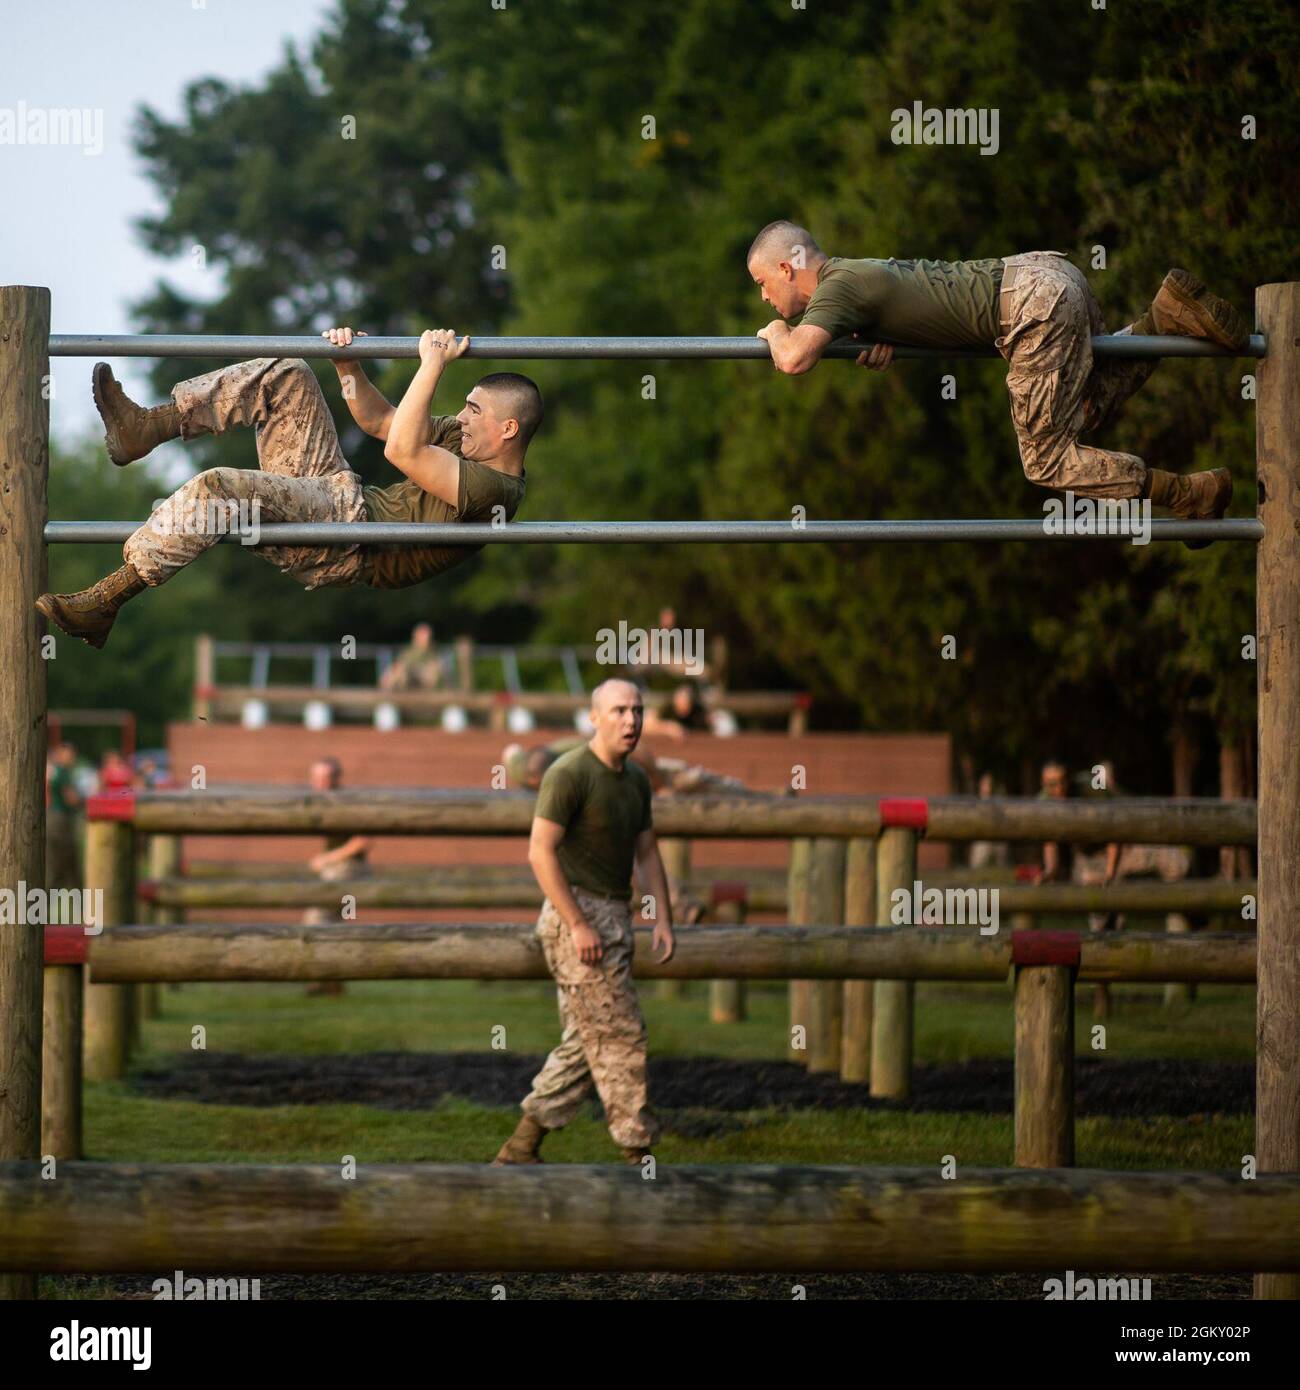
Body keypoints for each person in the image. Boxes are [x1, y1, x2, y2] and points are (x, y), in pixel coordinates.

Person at [35, 327, 542, 648]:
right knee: (288, 373)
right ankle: (149, 426)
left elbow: (402, 452)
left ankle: (107, 600)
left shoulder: (495, 493)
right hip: (342, 500)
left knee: (219, 490)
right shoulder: (463, 439)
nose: (463, 417)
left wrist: (431, 363)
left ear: (509, 430)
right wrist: (350, 368)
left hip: (349, 543)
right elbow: (383, 422)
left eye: (475, 411)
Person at [745, 221, 1248, 526]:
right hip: (1047, 277)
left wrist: (772, 332)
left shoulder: (836, 288)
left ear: (787, 269)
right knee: (1087, 401)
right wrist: (883, 338)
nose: (765, 298)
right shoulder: (853, 276)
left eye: (763, 283)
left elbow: (793, 359)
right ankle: (1165, 317)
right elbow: (910, 304)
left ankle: (1189, 495)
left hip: (1030, 306)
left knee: (1046, 461)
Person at [493, 680, 675, 1166]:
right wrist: (576, 923)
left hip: (615, 915)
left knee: (585, 1041)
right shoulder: (569, 773)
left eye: (637, 710)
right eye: (618, 711)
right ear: (594, 717)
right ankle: (639, 1154)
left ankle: (519, 1148)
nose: (631, 721)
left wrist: (662, 917)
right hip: (576, 918)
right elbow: (539, 852)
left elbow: (648, 851)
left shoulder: (635, 780)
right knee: (621, 1034)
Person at [301, 756, 371, 998]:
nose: (320, 782)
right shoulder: (325, 802)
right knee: (332, 924)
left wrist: (326, 860)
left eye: (326, 776)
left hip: (349, 869)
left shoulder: (345, 802)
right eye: (316, 777)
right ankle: (333, 980)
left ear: (337, 778)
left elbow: (363, 841)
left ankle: (324, 979)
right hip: (339, 869)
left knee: (317, 917)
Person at [45, 742, 82, 896]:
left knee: (58, 864)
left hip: (51, 818)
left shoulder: (52, 771)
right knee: (65, 864)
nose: (73, 757)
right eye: (69, 754)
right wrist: (83, 801)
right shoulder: (63, 773)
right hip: (60, 820)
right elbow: (71, 799)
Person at [380, 622, 444, 692]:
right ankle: (385, 697)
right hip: (408, 678)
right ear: (415, 635)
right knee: (396, 671)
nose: (423, 637)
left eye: (425, 634)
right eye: (421, 634)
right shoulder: (408, 651)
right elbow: (399, 665)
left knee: (432, 670)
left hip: (424, 679)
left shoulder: (433, 652)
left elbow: (437, 668)